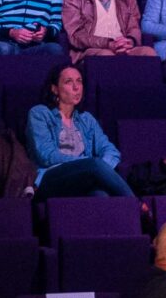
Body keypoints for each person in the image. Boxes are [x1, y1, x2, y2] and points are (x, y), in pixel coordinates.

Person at [26, 62, 133, 198]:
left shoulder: (86, 119)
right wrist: (86, 163)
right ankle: (137, 204)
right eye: (68, 82)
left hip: (84, 176)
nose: (76, 87)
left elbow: (111, 151)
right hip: (52, 177)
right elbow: (46, 155)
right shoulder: (40, 113)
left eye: (79, 81)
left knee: (100, 194)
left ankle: (129, 210)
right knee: (94, 165)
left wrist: (99, 167)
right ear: (55, 89)